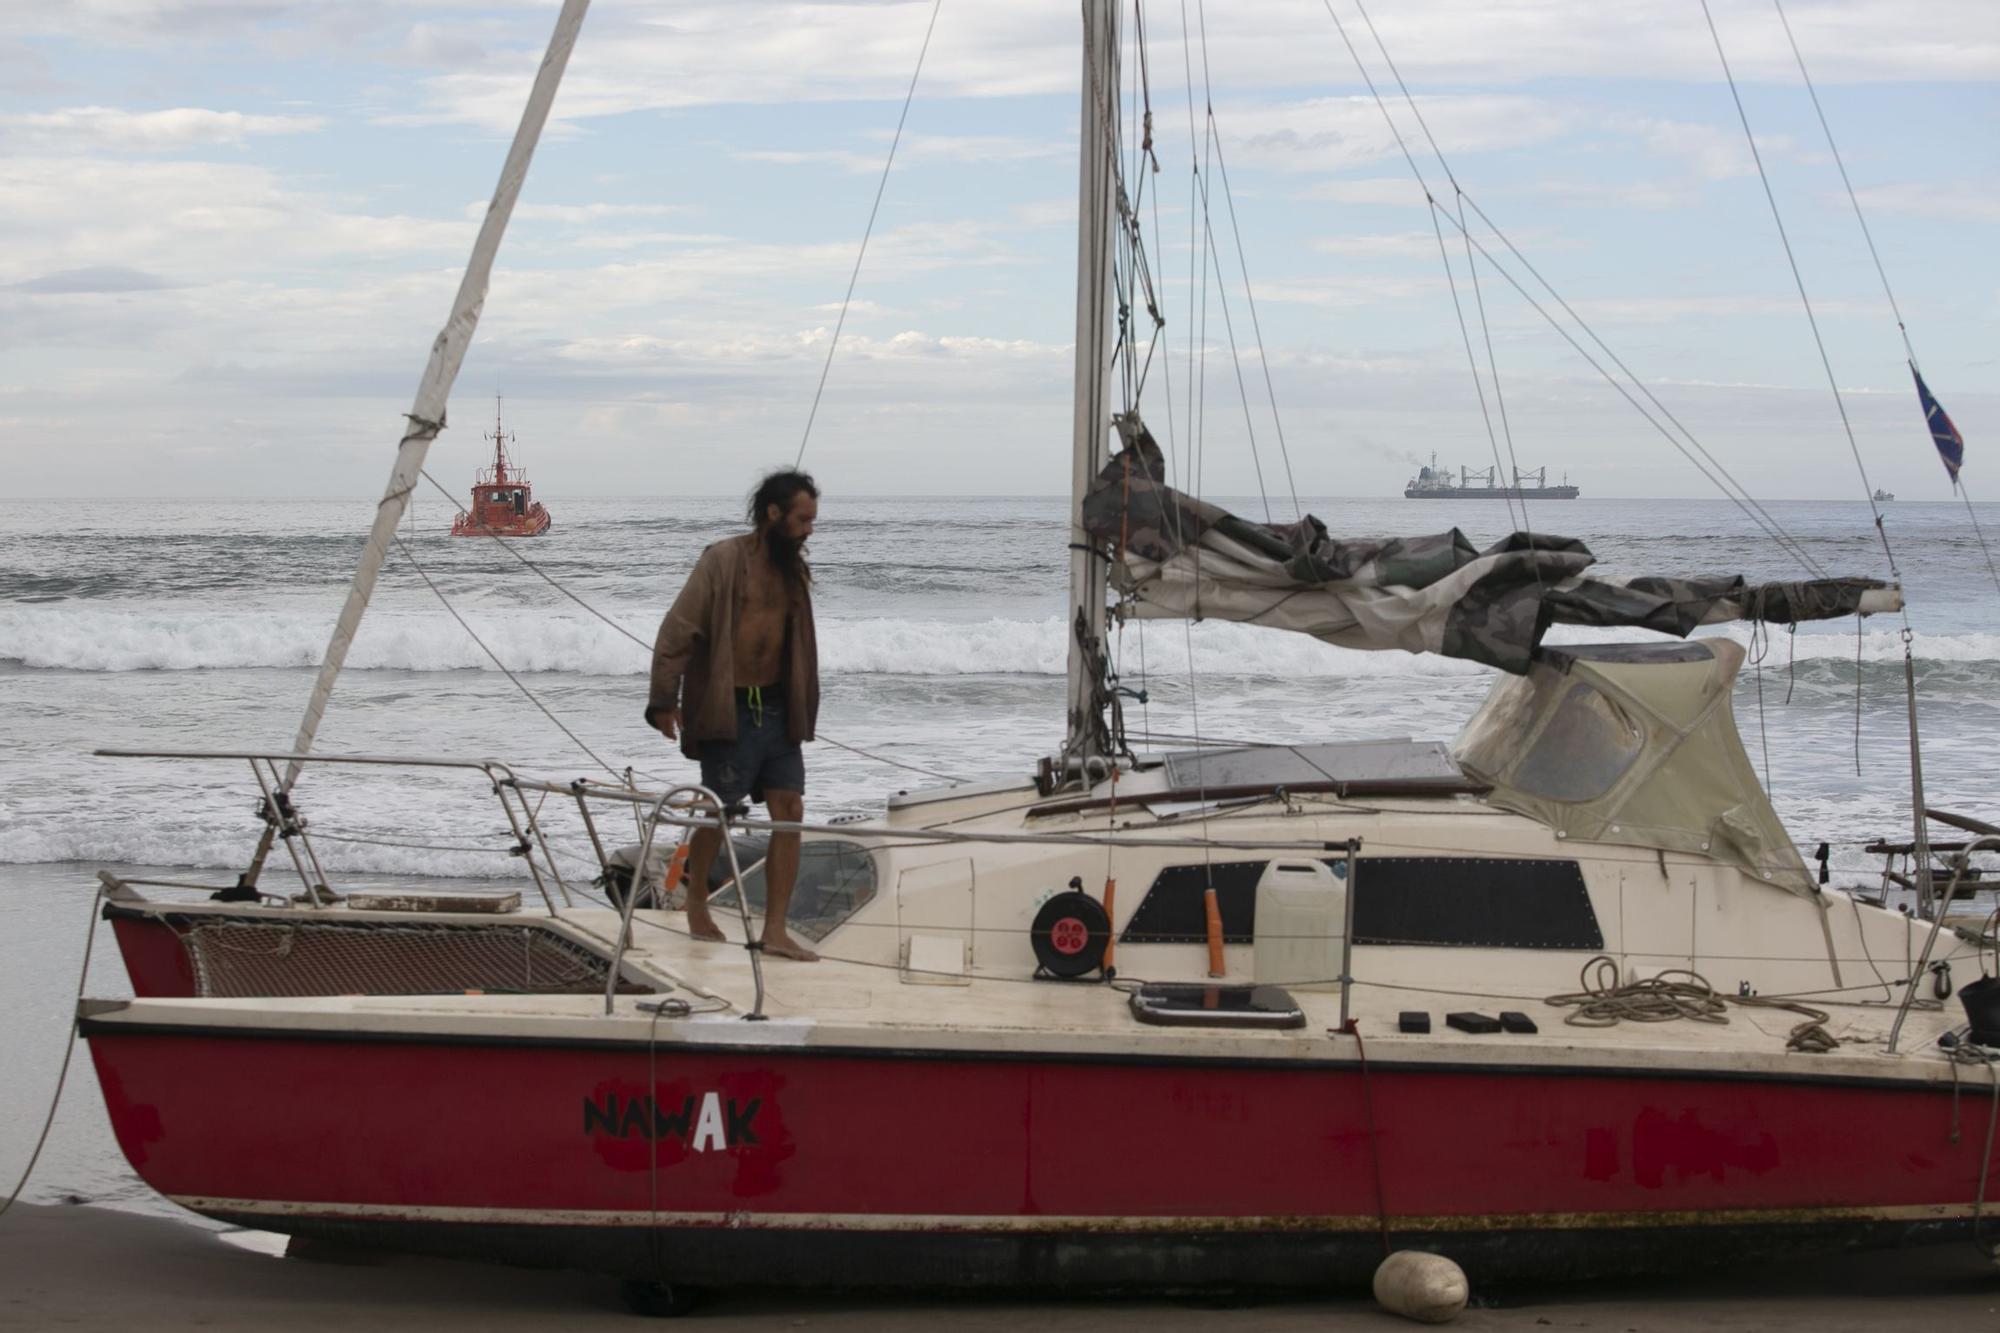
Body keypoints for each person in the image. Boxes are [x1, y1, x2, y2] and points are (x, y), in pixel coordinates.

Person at [645, 469, 821, 961]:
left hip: (780, 710)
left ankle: (776, 930)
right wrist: (663, 700)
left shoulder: (794, 571)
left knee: (791, 812)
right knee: (716, 812)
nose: (810, 530)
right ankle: (695, 899)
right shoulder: (723, 560)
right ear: (773, 513)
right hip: (731, 709)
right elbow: (678, 630)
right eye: (803, 519)